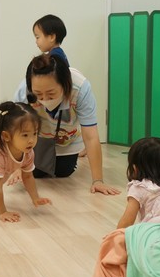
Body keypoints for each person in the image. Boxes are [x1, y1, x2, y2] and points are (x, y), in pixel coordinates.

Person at [13, 54, 119, 195]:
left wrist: (97, 180)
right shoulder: (24, 91)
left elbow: (91, 136)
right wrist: (17, 167)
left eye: (51, 93)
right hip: (37, 138)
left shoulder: (80, 88)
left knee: (64, 171)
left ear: (65, 84)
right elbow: (16, 131)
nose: (44, 99)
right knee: (35, 172)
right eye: (38, 94)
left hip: (67, 138)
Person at [116, 137, 160, 228]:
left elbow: (126, 222)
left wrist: (115, 235)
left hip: (158, 232)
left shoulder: (139, 187)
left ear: (135, 168)